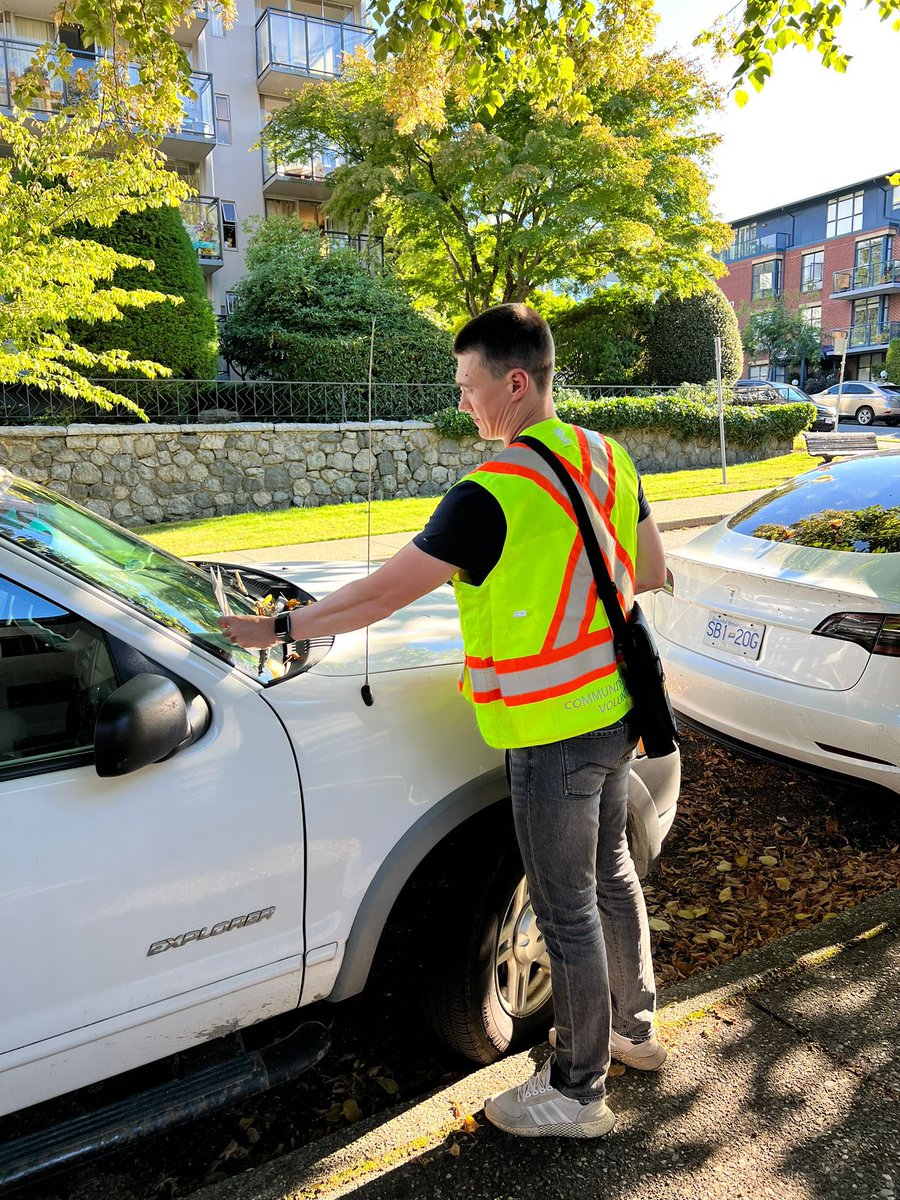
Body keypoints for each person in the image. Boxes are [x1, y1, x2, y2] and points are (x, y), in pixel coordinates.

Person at [220, 304, 668, 1139]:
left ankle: (577, 1091)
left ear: (516, 382)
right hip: (615, 710)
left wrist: (276, 627)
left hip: (551, 732)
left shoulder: (492, 491)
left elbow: (379, 595)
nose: (463, 404)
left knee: (564, 908)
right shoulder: (607, 455)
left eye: (468, 388)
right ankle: (637, 1033)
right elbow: (649, 568)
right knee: (612, 877)